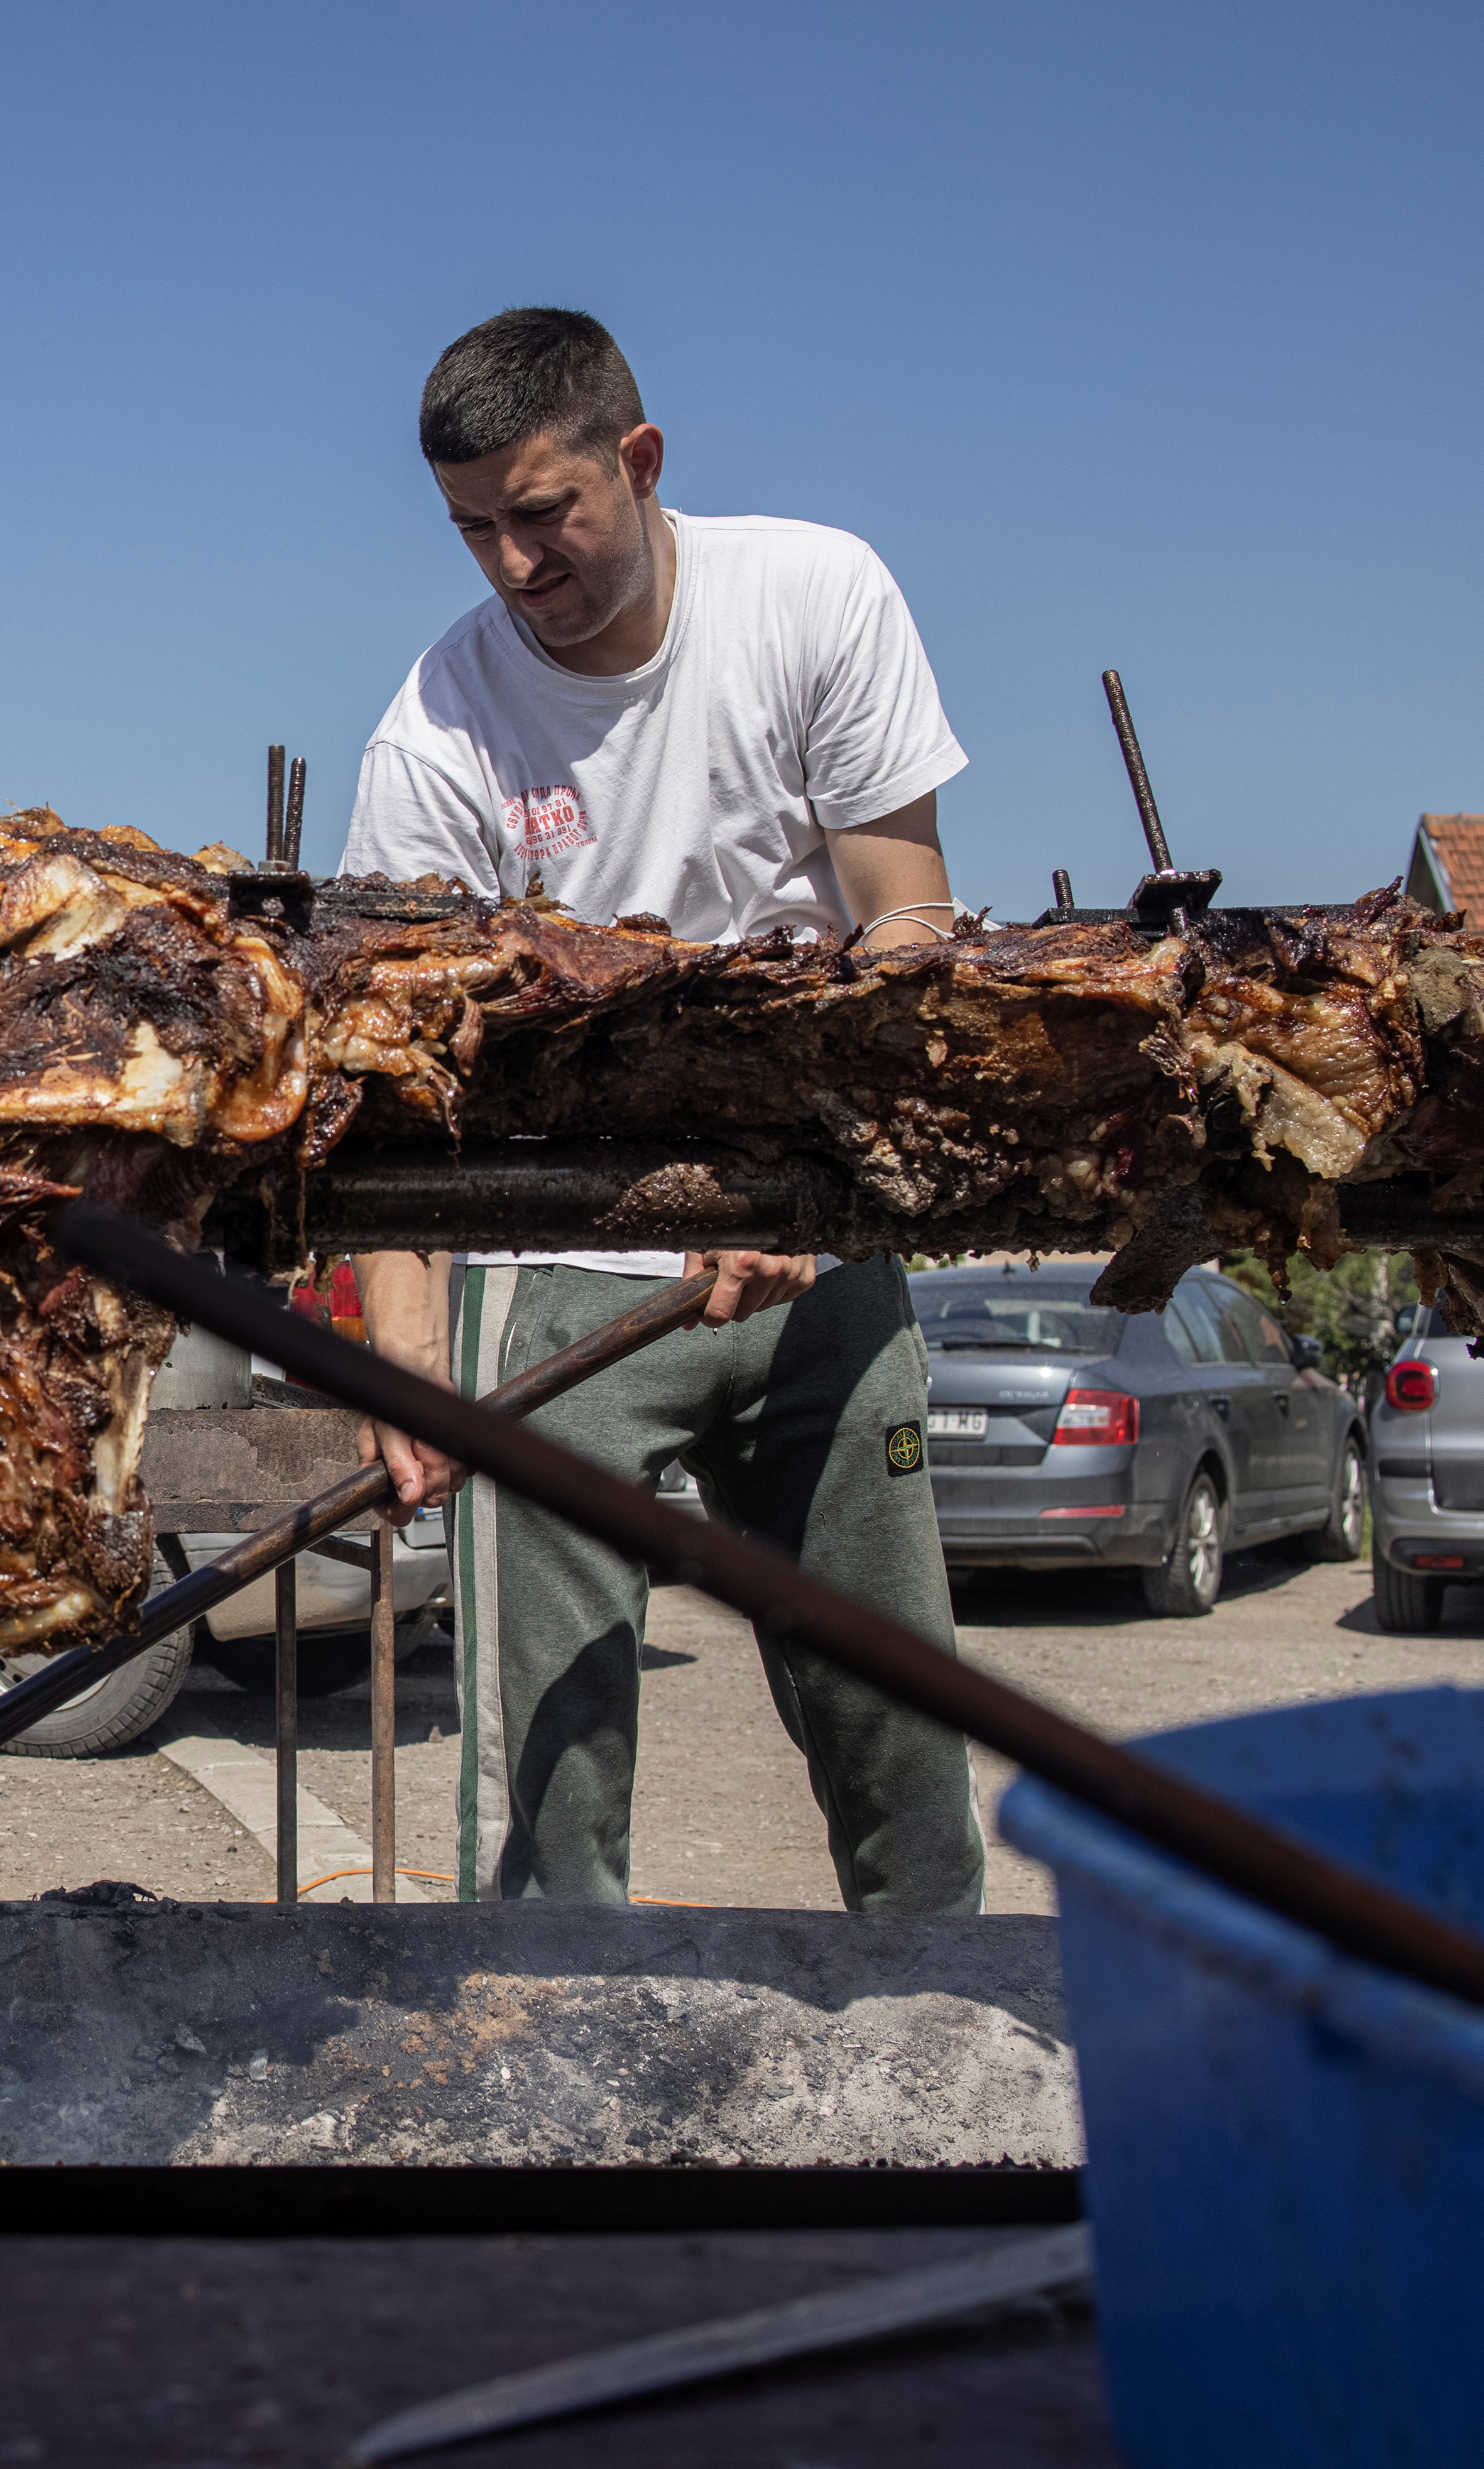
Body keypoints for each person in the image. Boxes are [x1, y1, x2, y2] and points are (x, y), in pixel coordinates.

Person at [338, 307, 983, 1915]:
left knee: (902, 1741)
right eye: (471, 527)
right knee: (551, 1799)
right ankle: (562, 2094)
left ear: (638, 461)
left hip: (816, 1271)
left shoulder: (815, 595)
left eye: (541, 511)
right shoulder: (434, 731)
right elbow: (402, 1082)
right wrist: (409, 1369)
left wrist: (801, 1194)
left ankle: (949, 2090)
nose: (508, 562)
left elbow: (905, 928)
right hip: (557, 1292)